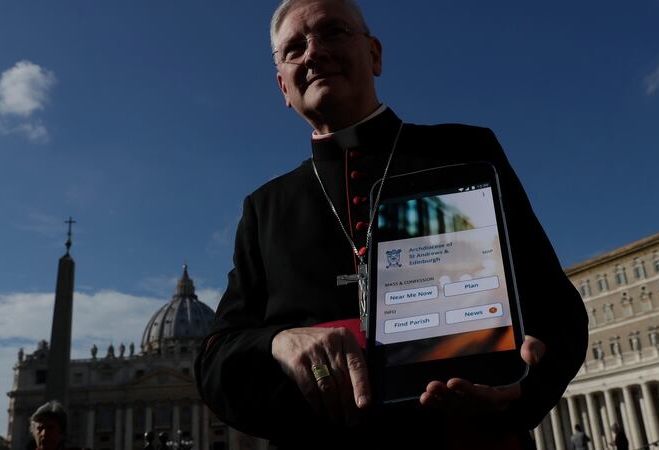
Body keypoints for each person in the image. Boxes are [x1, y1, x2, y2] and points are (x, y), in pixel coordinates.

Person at [194, 0, 588, 448]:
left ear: (375, 54)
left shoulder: (464, 152)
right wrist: (278, 344)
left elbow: (557, 310)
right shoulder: (265, 208)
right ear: (283, 86)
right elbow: (215, 361)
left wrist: (525, 386)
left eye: (334, 33)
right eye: (293, 49)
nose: (313, 53)